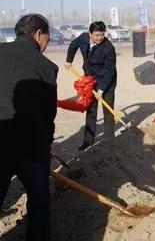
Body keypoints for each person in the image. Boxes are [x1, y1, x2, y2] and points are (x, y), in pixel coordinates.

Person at [0, 14, 57, 241]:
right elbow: (48, 114)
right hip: (30, 145)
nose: (47, 44)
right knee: (39, 200)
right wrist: (46, 146)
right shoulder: (46, 67)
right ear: (38, 33)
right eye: (48, 39)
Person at [65, 21, 117, 150]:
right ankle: (88, 142)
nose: (100, 38)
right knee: (91, 110)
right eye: (97, 35)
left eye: (102, 34)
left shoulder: (108, 48)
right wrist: (69, 60)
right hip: (90, 79)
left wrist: (101, 90)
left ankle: (109, 141)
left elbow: (110, 72)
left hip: (107, 80)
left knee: (108, 111)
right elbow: (73, 45)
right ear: (90, 34)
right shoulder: (83, 38)